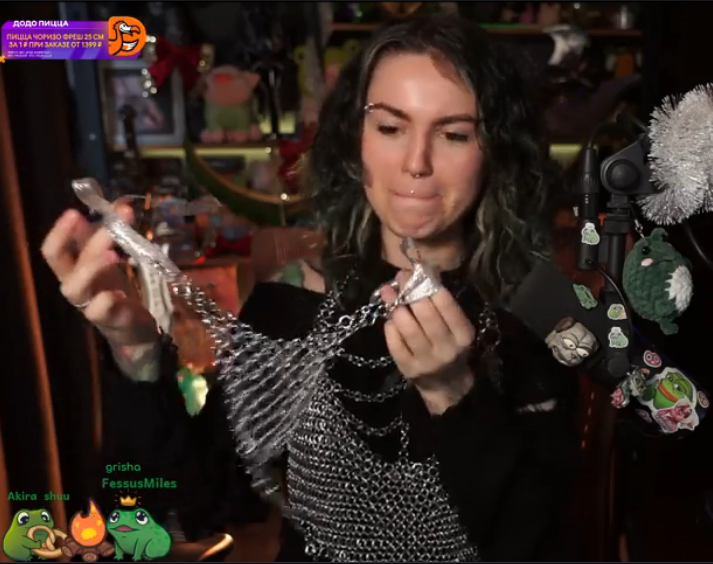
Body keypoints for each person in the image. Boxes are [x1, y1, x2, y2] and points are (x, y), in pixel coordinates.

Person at [42, 15, 578, 562]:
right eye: (390, 128)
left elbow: (534, 541)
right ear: (355, 139)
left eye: (454, 134)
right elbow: (177, 511)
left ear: (496, 150)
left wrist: (453, 397)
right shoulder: (296, 302)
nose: (415, 163)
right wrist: (135, 349)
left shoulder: (537, 316)